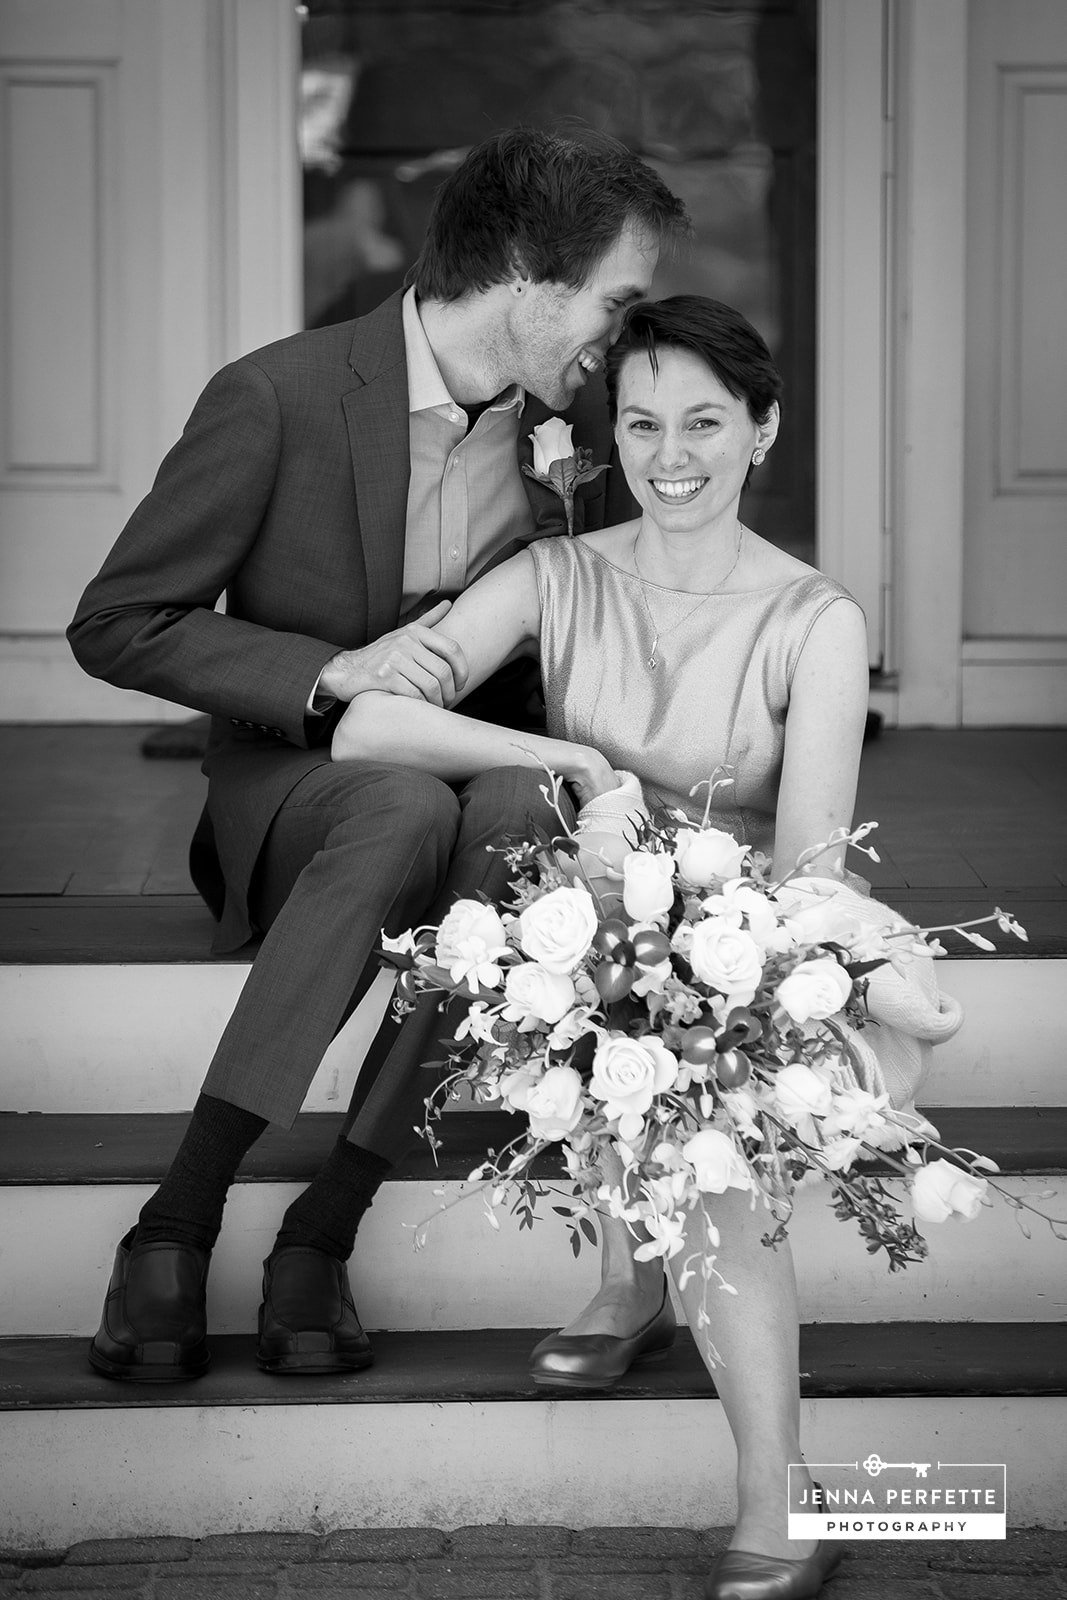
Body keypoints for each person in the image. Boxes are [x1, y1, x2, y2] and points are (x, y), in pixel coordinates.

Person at [67, 127, 689, 1383]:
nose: (621, 341)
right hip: (299, 786)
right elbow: (118, 621)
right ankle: (174, 1222)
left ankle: (323, 1228)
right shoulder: (276, 396)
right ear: (523, 270)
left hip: (483, 772)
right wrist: (326, 673)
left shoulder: (579, 427)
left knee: (516, 807)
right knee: (401, 809)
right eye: (615, 303)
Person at [329, 295, 868, 1599]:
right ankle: (636, 1285)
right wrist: (565, 757)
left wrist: (699, 951)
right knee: (568, 959)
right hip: (588, 919)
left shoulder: (814, 619)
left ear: (763, 428)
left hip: (748, 941)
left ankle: (780, 1494)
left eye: (702, 422)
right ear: (608, 433)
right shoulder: (555, 575)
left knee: (711, 1101)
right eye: (639, 424)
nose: (668, 455)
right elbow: (364, 722)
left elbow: (807, 878)